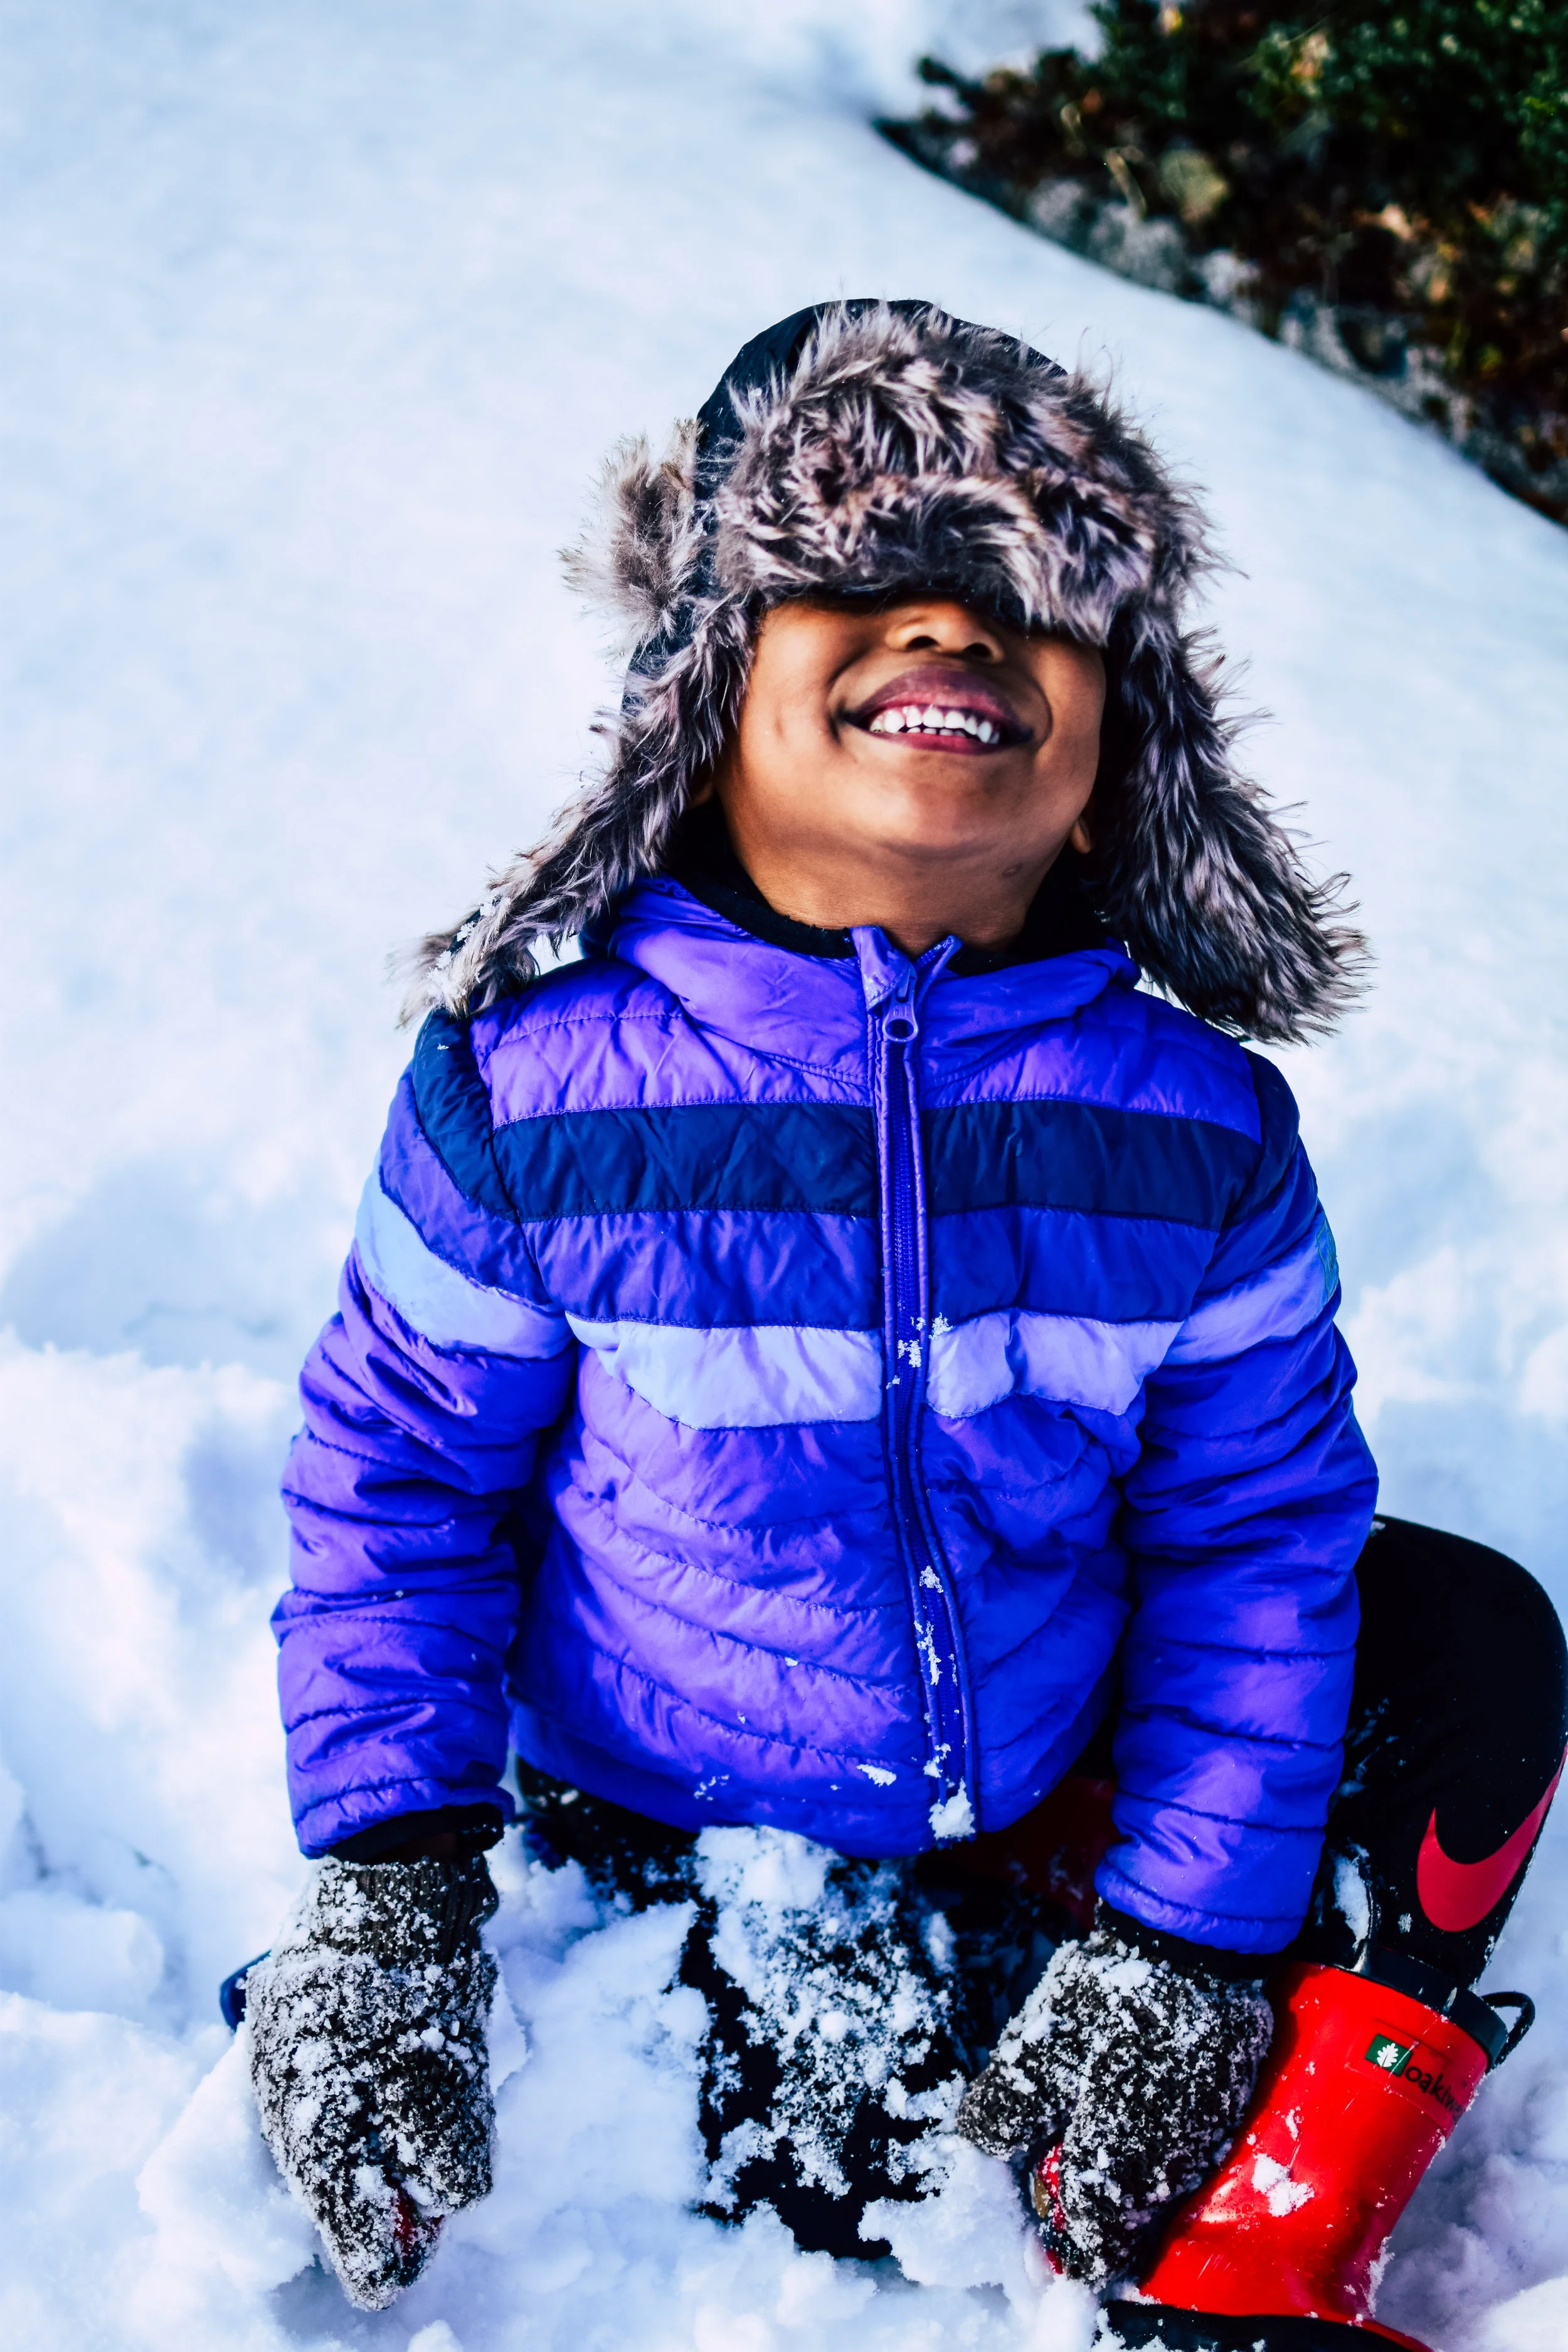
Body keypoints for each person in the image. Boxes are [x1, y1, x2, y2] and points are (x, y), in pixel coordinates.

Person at [243, 302, 1567, 2323]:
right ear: (705, 673)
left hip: (1049, 1785)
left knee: (1464, 1639)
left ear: (1124, 728)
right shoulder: (532, 1098)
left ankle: (1236, 2265)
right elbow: (399, 1491)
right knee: (820, 2139)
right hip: (677, 1825)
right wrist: (389, 1892)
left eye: (1033, 595)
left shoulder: (1187, 1133)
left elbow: (1244, 1542)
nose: (953, 629)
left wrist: (1187, 1945)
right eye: (865, 568)